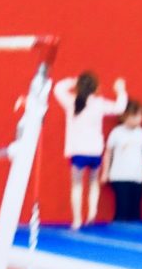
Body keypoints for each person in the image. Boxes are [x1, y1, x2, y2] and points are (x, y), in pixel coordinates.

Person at [54, 71, 127, 230]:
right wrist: (121, 91)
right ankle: (92, 213)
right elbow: (120, 108)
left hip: (78, 150)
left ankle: (77, 219)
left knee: (77, 185)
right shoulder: (98, 103)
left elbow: (58, 88)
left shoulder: (72, 102)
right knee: (93, 183)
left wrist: (73, 81)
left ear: (78, 87)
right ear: (96, 88)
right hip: (95, 150)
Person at [102, 101, 142, 224]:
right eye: (135, 115)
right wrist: (105, 172)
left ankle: (135, 232)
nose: (139, 118)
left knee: (135, 209)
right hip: (120, 176)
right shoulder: (117, 132)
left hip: (137, 176)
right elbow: (108, 152)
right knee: (122, 207)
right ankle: (118, 230)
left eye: (140, 115)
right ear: (125, 116)